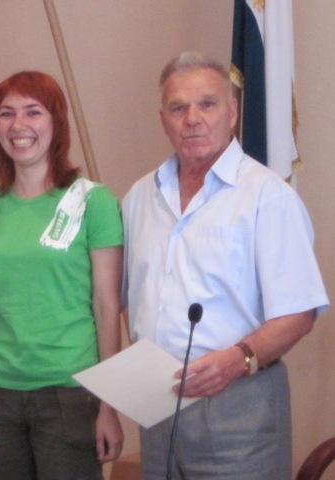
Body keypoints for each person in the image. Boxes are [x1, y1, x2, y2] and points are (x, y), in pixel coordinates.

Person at [121, 51, 329, 479]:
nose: (192, 119)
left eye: (207, 104)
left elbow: (300, 312)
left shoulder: (267, 196)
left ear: (232, 113)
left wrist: (238, 359)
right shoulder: (139, 198)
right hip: (157, 406)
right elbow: (117, 295)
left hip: (240, 405)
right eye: (178, 108)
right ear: (163, 119)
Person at [0, 70, 124, 479]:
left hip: (70, 393)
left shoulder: (93, 202)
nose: (18, 125)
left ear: (56, 123)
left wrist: (109, 406)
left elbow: (106, 305)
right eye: (6, 113)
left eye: (33, 111)